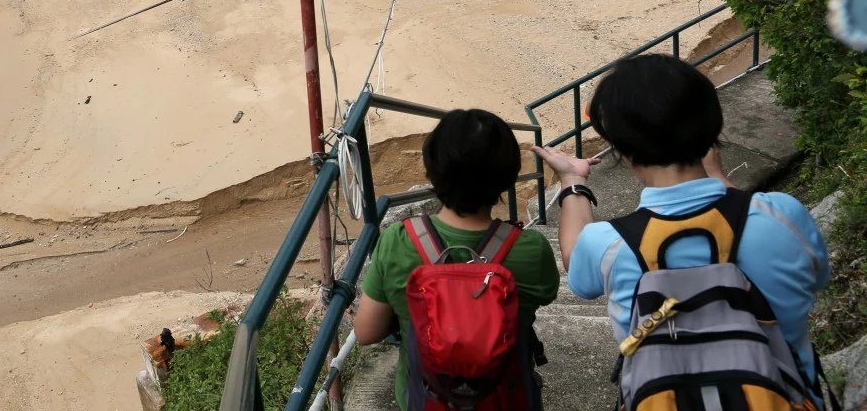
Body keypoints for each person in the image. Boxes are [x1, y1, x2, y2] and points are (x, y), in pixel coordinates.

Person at [535, 55, 832, 409]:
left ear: (624, 151)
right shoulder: (782, 217)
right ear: (712, 127)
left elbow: (577, 261)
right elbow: (817, 279)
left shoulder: (609, 245)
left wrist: (573, 181)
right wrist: (720, 179)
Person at [356, 109, 559, 411]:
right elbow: (547, 292)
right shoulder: (532, 249)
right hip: (505, 400)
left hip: (426, 400)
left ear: (431, 172)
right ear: (508, 178)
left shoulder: (397, 241)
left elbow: (366, 332)